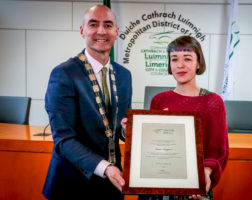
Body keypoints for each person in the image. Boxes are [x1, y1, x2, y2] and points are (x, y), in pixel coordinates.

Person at [42, 5, 132, 200]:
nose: (101, 31)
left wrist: (129, 129)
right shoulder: (64, 73)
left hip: (112, 185)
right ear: (82, 31)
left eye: (108, 25)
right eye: (93, 24)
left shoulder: (124, 76)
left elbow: (119, 126)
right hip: (72, 185)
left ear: (116, 32)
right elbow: (63, 140)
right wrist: (105, 168)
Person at [139, 36, 229, 200]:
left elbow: (218, 152)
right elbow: (151, 147)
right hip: (159, 186)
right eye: (174, 59)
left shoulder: (213, 101)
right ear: (169, 65)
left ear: (198, 63)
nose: (180, 65)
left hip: (194, 188)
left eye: (187, 59)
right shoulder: (158, 100)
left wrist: (205, 173)